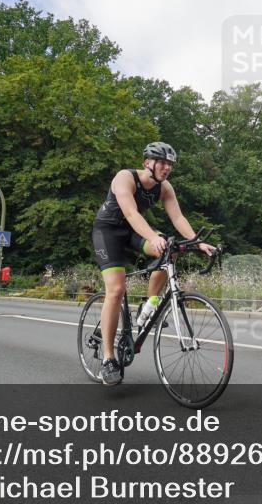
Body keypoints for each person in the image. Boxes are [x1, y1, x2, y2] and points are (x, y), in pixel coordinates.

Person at [91, 142, 215, 386]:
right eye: (162, 162)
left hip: (133, 232)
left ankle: (150, 304)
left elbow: (178, 217)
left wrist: (198, 243)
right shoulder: (124, 178)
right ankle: (108, 359)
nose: (167, 168)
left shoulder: (164, 188)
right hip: (108, 231)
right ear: (147, 162)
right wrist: (152, 236)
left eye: (170, 164)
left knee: (170, 249)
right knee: (116, 289)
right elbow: (131, 214)